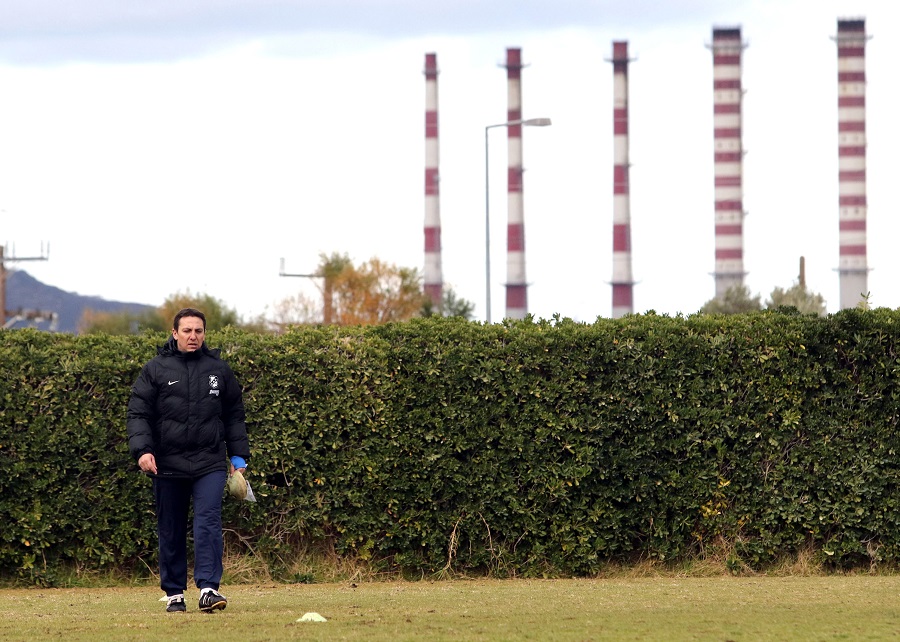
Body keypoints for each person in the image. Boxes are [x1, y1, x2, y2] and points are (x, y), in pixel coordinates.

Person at [127, 308, 250, 613]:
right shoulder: (155, 369)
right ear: (175, 333)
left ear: (204, 334)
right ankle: (174, 593)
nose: (193, 336)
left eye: (198, 331)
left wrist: (237, 457)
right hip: (167, 463)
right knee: (171, 527)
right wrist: (143, 451)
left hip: (209, 462)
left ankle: (208, 589)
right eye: (187, 331)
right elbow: (138, 414)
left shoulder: (219, 370)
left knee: (208, 521)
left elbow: (233, 415)